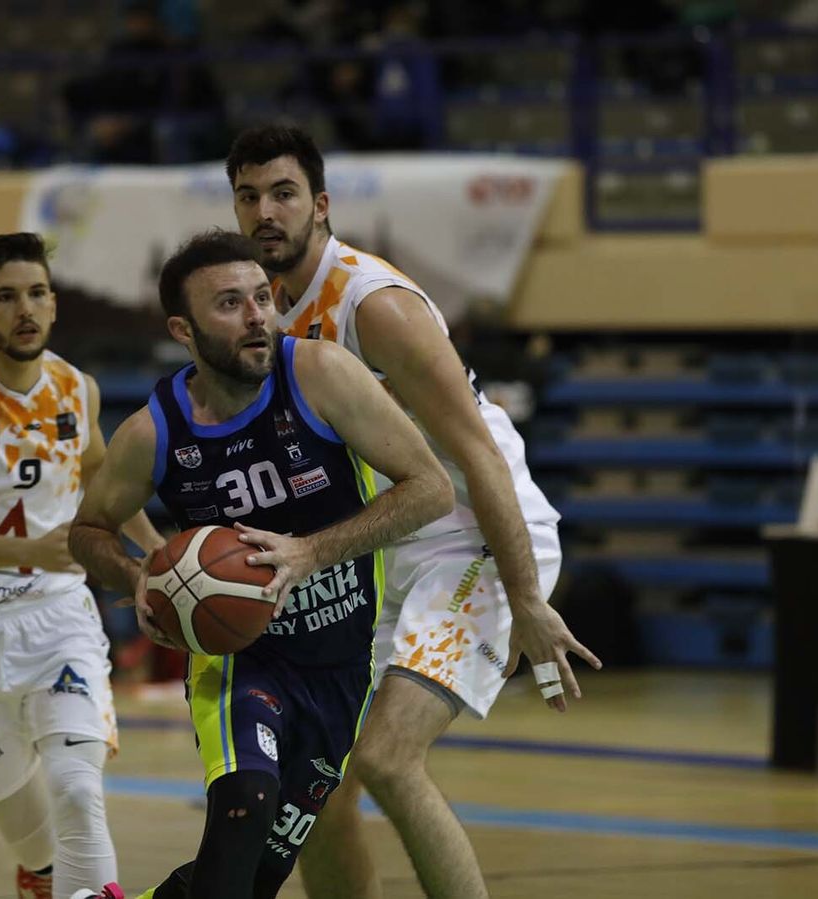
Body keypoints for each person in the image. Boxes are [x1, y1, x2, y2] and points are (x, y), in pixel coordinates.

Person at [225, 124, 596, 899]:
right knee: (313, 783)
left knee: (389, 758)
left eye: (284, 193)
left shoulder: (374, 304)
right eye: (250, 195)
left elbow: (479, 455)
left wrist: (527, 598)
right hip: (388, 539)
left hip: (476, 537)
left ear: (320, 206)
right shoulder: (266, 318)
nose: (266, 211)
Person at [68, 230, 454, 899]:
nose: (256, 316)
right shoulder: (156, 432)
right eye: (228, 303)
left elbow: (431, 489)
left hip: (340, 666)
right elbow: (88, 530)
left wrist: (312, 551)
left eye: (260, 297)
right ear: (182, 329)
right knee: (243, 806)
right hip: (242, 660)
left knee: (259, 875)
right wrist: (137, 576)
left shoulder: (322, 374)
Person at [0, 232, 163, 899]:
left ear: (54, 302)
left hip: (56, 614)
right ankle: (39, 875)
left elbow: (101, 477)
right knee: (35, 839)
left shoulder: (78, 388)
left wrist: (158, 552)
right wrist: (28, 551)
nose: (26, 309)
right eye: (6, 296)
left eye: (38, 293)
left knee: (77, 793)